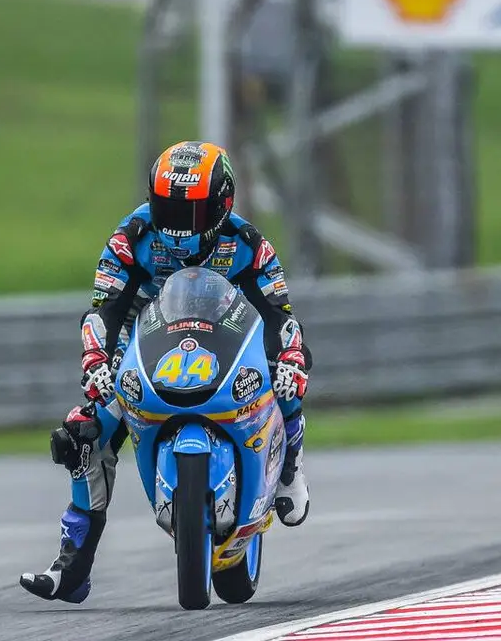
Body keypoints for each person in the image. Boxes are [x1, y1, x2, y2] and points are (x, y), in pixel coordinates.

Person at [19, 141, 312, 604]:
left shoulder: (249, 245)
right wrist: (96, 361)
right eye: (167, 210)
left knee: (289, 371)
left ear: (222, 205)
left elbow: (279, 314)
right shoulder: (131, 237)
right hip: (147, 342)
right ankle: (72, 568)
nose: (177, 226)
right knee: (84, 433)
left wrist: (290, 357)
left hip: (227, 339)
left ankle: (290, 465)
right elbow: (104, 309)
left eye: (190, 213)